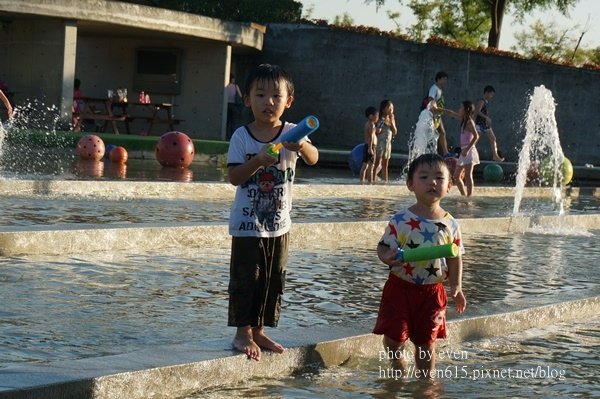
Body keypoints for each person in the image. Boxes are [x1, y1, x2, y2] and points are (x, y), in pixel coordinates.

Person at [226, 64, 319, 361]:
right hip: (247, 224)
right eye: (261, 94)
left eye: (276, 96)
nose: (269, 102)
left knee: (272, 278)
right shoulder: (242, 136)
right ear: (247, 100)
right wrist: (257, 162)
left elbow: (315, 159)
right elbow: (234, 177)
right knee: (246, 277)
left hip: (280, 224)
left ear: (288, 102)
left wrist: (302, 146)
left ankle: (260, 330)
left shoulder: (292, 132)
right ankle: (242, 332)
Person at [373, 153, 466, 378]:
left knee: (426, 343)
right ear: (410, 185)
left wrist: (457, 287)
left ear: (450, 186)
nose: (432, 182)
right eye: (424, 177)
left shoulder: (450, 224)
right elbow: (383, 246)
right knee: (394, 339)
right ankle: (398, 366)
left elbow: (455, 258)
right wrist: (387, 257)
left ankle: (426, 381)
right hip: (400, 288)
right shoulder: (400, 219)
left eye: (439, 178)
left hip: (432, 292)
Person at [440, 101, 480, 196]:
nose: (459, 110)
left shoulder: (469, 122)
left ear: (466, 110)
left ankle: (469, 197)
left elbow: (476, 136)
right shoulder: (463, 119)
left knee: (468, 175)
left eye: (461, 108)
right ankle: (463, 195)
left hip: (469, 151)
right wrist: (439, 109)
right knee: (456, 176)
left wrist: (467, 150)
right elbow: (451, 113)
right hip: (464, 151)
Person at [475, 85, 504, 162]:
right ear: (486, 93)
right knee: (475, 140)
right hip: (480, 124)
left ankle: (495, 156)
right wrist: (486, 117)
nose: (491, 96)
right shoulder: (482, 101)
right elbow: (477, 111)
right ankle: (468, 154)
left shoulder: (486, 102)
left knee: (493, 138)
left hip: (485, 125)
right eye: (491, 94)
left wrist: (486, 118)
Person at [426, 71, 450, 157]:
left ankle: (445, 152)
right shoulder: (434, 88)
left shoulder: (440, 89)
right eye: (444, 79)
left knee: (442, 132)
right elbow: (431, 100)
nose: (445, 81)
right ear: (438, 79)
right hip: (432, 115)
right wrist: (432, 115)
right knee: (431, 134)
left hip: (437, 116)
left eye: (446, 79)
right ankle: (430, 153)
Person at [374, 99, 397, 183]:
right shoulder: (379, 118)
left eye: (392, 108)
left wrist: (392, 122)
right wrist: (382, 122)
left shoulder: (391, 119)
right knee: (377, 163)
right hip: (380, 143)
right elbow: (377, 131)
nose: (392, 110)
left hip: (388, 145)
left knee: (385, 165)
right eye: (389, 108)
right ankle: (372, 180)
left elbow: (394, 132)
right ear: (383, 109)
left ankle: (385, 182)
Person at [359, 106, 378, 183]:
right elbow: (370, 137)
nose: (377, 118)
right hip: (371, 146)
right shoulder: (372, 125)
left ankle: (361, 181)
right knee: (371, 166)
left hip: (366, 145)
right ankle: (370, 182)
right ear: (371, 116)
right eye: (376, 116)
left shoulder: (367, 124)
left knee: (365, 165)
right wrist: (370, 148)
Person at [226, 74, 243, 139]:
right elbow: (240, 95)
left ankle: (226, 135)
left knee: (227, 122)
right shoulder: (235, 86)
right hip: (233, 105)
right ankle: (231, 135)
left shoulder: (226, 86)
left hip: (226, 105)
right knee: (233, 122)